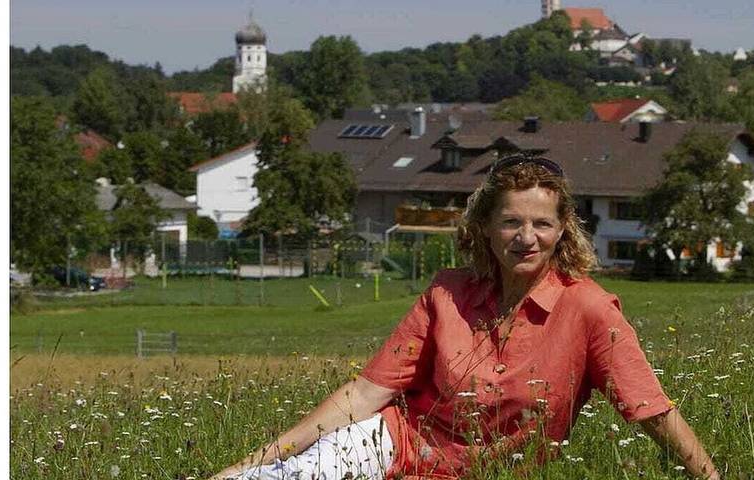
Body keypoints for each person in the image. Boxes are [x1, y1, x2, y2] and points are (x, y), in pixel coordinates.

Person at [210, 153, 720, 480]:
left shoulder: (588, 309)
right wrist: (255, 461)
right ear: (485, 228)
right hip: (393, 442)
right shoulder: (447, 293)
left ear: (563, 229)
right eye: (511, 222)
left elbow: (649, 407)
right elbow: (367, 393)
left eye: (542, 223)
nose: (527, 237)